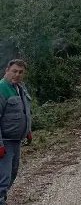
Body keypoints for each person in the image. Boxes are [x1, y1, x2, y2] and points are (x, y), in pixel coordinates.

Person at [0, 59, 32, 205]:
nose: (17, 74)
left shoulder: (20, 88)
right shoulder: (1, 89)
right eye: (14, 71)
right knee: (3, 177)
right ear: (7, 70)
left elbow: (26, 111)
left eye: (20, 72)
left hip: (16, 141)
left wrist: (28, 131)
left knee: (12, 173)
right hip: (5, 143)